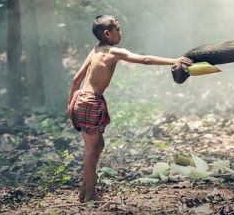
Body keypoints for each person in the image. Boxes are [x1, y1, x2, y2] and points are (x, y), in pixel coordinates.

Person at [68, 14, 192, 203]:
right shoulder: (113, 53)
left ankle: (85, 189)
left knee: (97, 145)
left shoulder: (94, 51)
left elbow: (76, 80)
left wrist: (71, 105)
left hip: (82, 100)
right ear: (108, 34)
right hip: (91, 102)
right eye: (118, 29)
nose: (121, 32)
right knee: (92, 150)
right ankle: (90, 195)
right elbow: (145, 59)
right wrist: (174, 60)